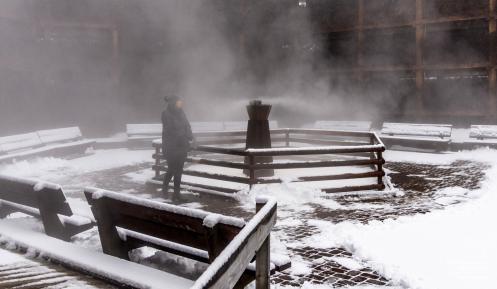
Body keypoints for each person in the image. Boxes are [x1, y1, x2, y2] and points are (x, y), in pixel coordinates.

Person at [161, 95, 193, 200]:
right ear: (173, 103)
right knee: (172, 169)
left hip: (182, 146)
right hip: (171, 147)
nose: (181, 104)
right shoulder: (166, 114)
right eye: (179, 102)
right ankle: (165, 190)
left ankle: (176, 194)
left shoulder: (182, 112)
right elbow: (169, 130)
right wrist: (183, 134)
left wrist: (189, 135)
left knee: (179, 170)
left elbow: (187, 125)